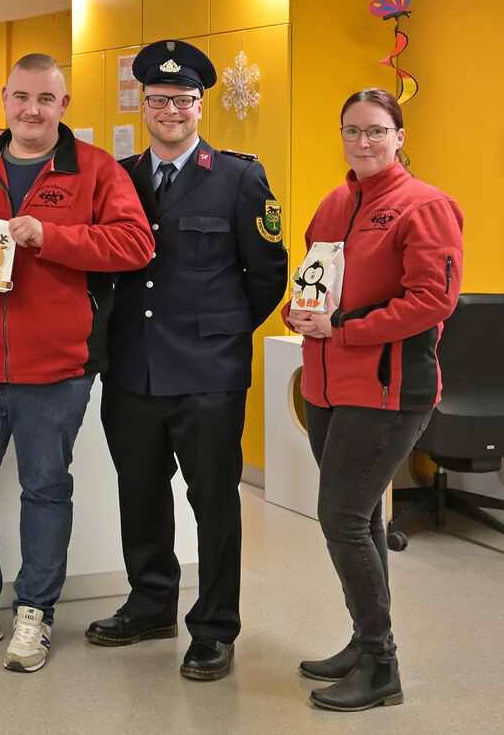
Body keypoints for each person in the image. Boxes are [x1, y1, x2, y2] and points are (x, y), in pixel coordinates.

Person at [0, 53, 154, 673]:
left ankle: (36, 613)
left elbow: (135, 244)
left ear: (63, 106)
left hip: (57, 367)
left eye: (45, 99)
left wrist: (51, 237)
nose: (31, 110)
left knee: (45, 489)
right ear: (4, 98)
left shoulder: (95, 170)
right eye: (21, 97)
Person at [86, 40, 288, 681]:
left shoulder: (237, 177)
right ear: (141, 104)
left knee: (214, 503)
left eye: (182, 99)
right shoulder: (118, 177)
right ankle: (151, 603)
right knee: (139, 494)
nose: (169, 109)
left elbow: (267, 277)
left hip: (207, 371)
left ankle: (215, 627)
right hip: (133, 368)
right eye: (157, 99)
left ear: (200, 105)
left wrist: (221, 336)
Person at [285, 88, 462, 711]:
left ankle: (382, 665)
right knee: (362, 519)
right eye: (352, 130)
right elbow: (315, 277)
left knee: (341, 519)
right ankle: (365, 643)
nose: (363, 142)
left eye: (376, 131)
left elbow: (431, 301)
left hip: (389, 392)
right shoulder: (334, 204)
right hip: (328, 388)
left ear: (399, 135)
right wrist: (301, 309)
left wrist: (344, 328)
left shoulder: (426, 207)